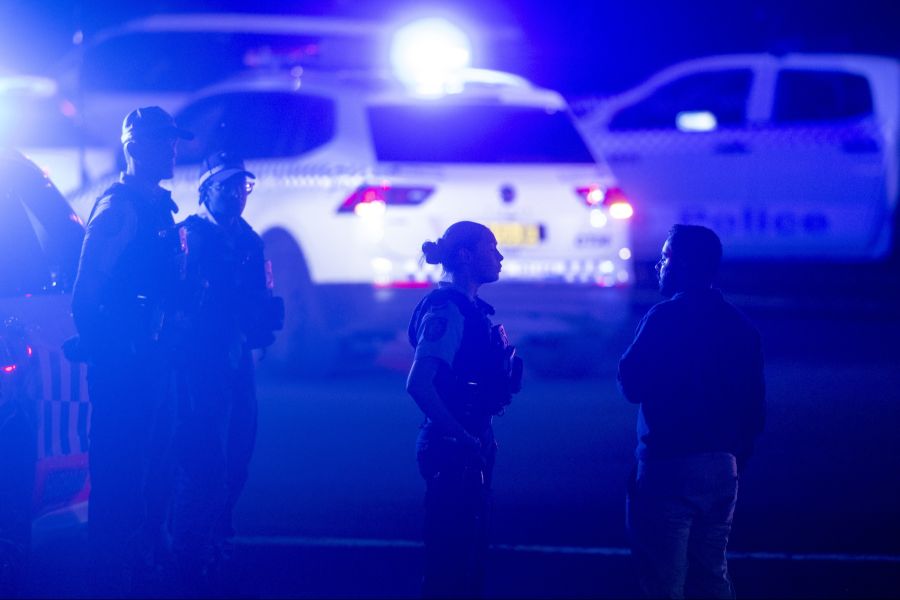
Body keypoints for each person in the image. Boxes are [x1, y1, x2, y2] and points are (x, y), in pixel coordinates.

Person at [71, 106, 192, 596]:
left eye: (174, 141)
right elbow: (86, 293)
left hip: (153, 362)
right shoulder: (119, 208)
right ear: (135, 147)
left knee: (154, 468)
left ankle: (140, 568)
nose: (173, 150)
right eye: (163, 141)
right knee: (121, 477)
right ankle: (110, 578)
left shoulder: (158, 207)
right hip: (126, 368)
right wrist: (118, 352)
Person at [617, 224, 766, 599]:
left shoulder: (664, 317)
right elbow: (755, 408)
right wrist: (733, 461)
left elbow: (631, 385)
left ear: (681, 264)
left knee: (663, 580)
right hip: (722, 468)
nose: (659, 266)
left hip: (669, 465)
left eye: (665, 257)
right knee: (712, 574)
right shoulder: (741, 325)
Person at [169, 151, 282, 595]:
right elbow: (180, 300)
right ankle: (190, 548)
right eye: (228, 186)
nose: (238, 195)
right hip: (199, 359)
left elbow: (260, 297)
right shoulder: (190, 238)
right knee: (201, 454)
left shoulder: (251, 242)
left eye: (243, 187)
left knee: (239, 447)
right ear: (206, 191)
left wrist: (263, 321)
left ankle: (218, 532)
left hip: (236, 358)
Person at [406, 221, 523, 598]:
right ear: (464, 256)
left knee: (470, 554)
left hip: (469, 441)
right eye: (491, 247)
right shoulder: (448, 311)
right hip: (453, 448)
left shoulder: (470, 308)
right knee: (451, 561)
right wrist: (462, 435)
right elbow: (419, 383)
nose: (500, 256)